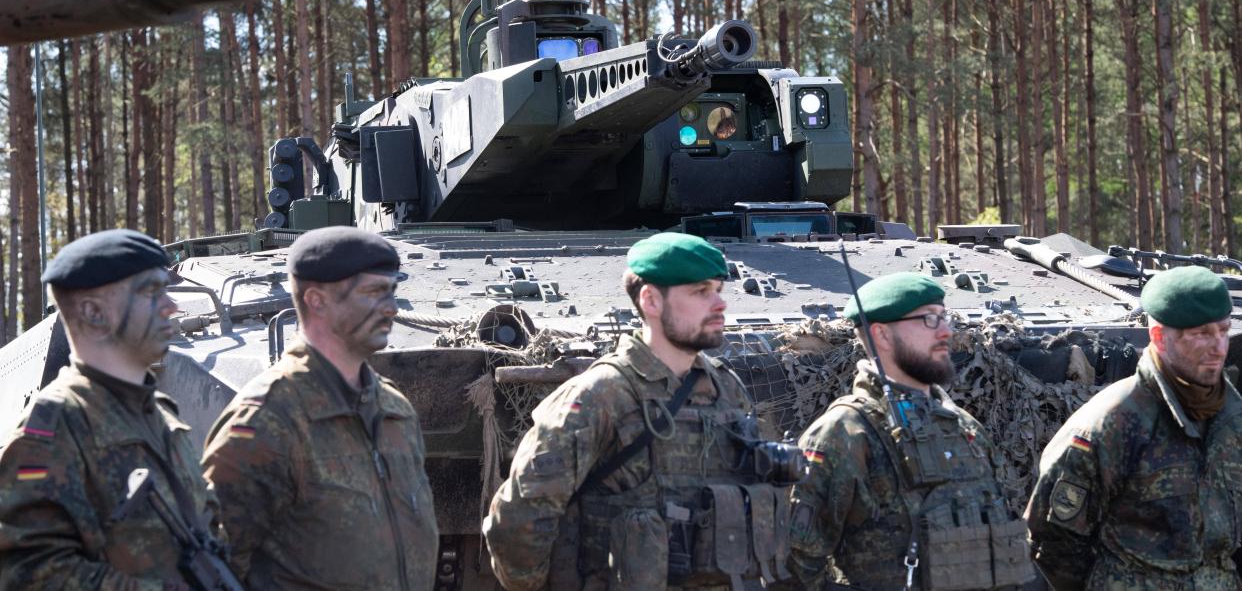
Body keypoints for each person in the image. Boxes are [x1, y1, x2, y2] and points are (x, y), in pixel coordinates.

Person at [484, 232, 798, 590]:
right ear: (651, 300)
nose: (719, 304)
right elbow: (517, 524)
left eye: (718, 290)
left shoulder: (726, 389)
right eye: (700, 292)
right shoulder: (599, 396)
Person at [201, 226, 437, 591]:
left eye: (392, 291)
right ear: (316, 301)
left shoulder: (394, 409)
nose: (391, 307)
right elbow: (211, 568)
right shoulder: (267, 421)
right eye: (373, 292)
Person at [0, 229, 227, 590]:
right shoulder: (55, 427)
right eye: (152, 292)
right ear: (94, 313)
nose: (171, 306)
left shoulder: (161, 413)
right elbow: (26, 571)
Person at [788, 272, 1034, 590]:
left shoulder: (964, 426)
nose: (946, 331)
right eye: (929, 319)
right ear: (882, 335)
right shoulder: (845, 434)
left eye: (944, 317)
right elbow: (794, 570)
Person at [1026, 265, 1242, 589]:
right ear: (1159, 338)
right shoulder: (1109, 424)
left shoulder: (1233, 418)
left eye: (1223, 331)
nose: (1219, 348)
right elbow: (1052, 544)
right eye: (1201, 335)